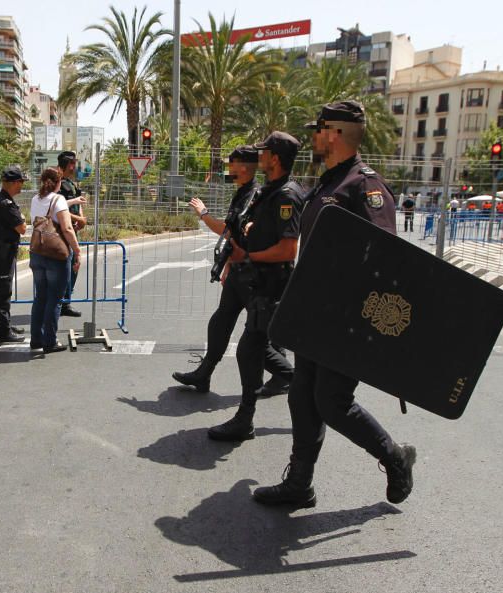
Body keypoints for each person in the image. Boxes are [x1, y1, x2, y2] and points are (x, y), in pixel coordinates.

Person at [253, 100, 416, 510]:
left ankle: (395, 457)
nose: (312, 137)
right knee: (302, 397)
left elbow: (386, 257)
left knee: (332, 401)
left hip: (347, 318)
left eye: (318, 129)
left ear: (335, 133)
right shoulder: (328, 184)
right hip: (316, 314)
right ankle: (299, 484)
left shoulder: (364, 187)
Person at [205, 133, 305, 442]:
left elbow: (288, 249)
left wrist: (247, 254)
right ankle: (247, 415)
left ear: (274, 158)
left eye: (263, 151)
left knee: (253, 348)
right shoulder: (268, 191)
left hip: (272, 283)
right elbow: (258, 228)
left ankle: (255, 413)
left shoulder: (287, 195)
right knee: (252, 347)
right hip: (255, 279)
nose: (258, 155)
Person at [173, 145, 294, 398]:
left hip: (255, 274)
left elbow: (232, 232)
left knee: (257, 339)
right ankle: (204, 374)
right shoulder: (243, 193)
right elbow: (235, 234)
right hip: (240, 270)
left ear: (243, 167)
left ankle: (294, 379)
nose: (228, 168)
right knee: (221, 321)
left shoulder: (255, 194)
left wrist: (204, 215)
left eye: (231, 164)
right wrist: (228, 265)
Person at [29, 168, 83, 353]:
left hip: (37, 252)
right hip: (56, 255)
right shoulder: (58, 199)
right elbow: (67, 228)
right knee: (55, 299)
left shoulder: (35, 199)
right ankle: (50, 341)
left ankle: (36, 338)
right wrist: (77, 251)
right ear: (58, 183)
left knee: (40, 297)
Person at [0, 166, 28, 343]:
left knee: (3, 290)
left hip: (2, 249)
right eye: (20, 182)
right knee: (3, 291)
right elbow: (22, 228)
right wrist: (23, 220)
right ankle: (3, 332)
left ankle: (5, 325)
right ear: (12, 183)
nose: (22, 186)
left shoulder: (1, 199)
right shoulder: (6, 203)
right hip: (4, 251)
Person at [57, 151, 87, 318]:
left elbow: (78, 201)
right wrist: (79, 219)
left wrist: (81, 218)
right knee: (65, 267)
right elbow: (59, 209)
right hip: (63, 233)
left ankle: (66, 302)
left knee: (74, 265)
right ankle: (60, 302)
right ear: (69, 165)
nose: (76, 167)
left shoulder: (71, 184)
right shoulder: (59, 185)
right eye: (74, 163)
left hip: (73, 230)